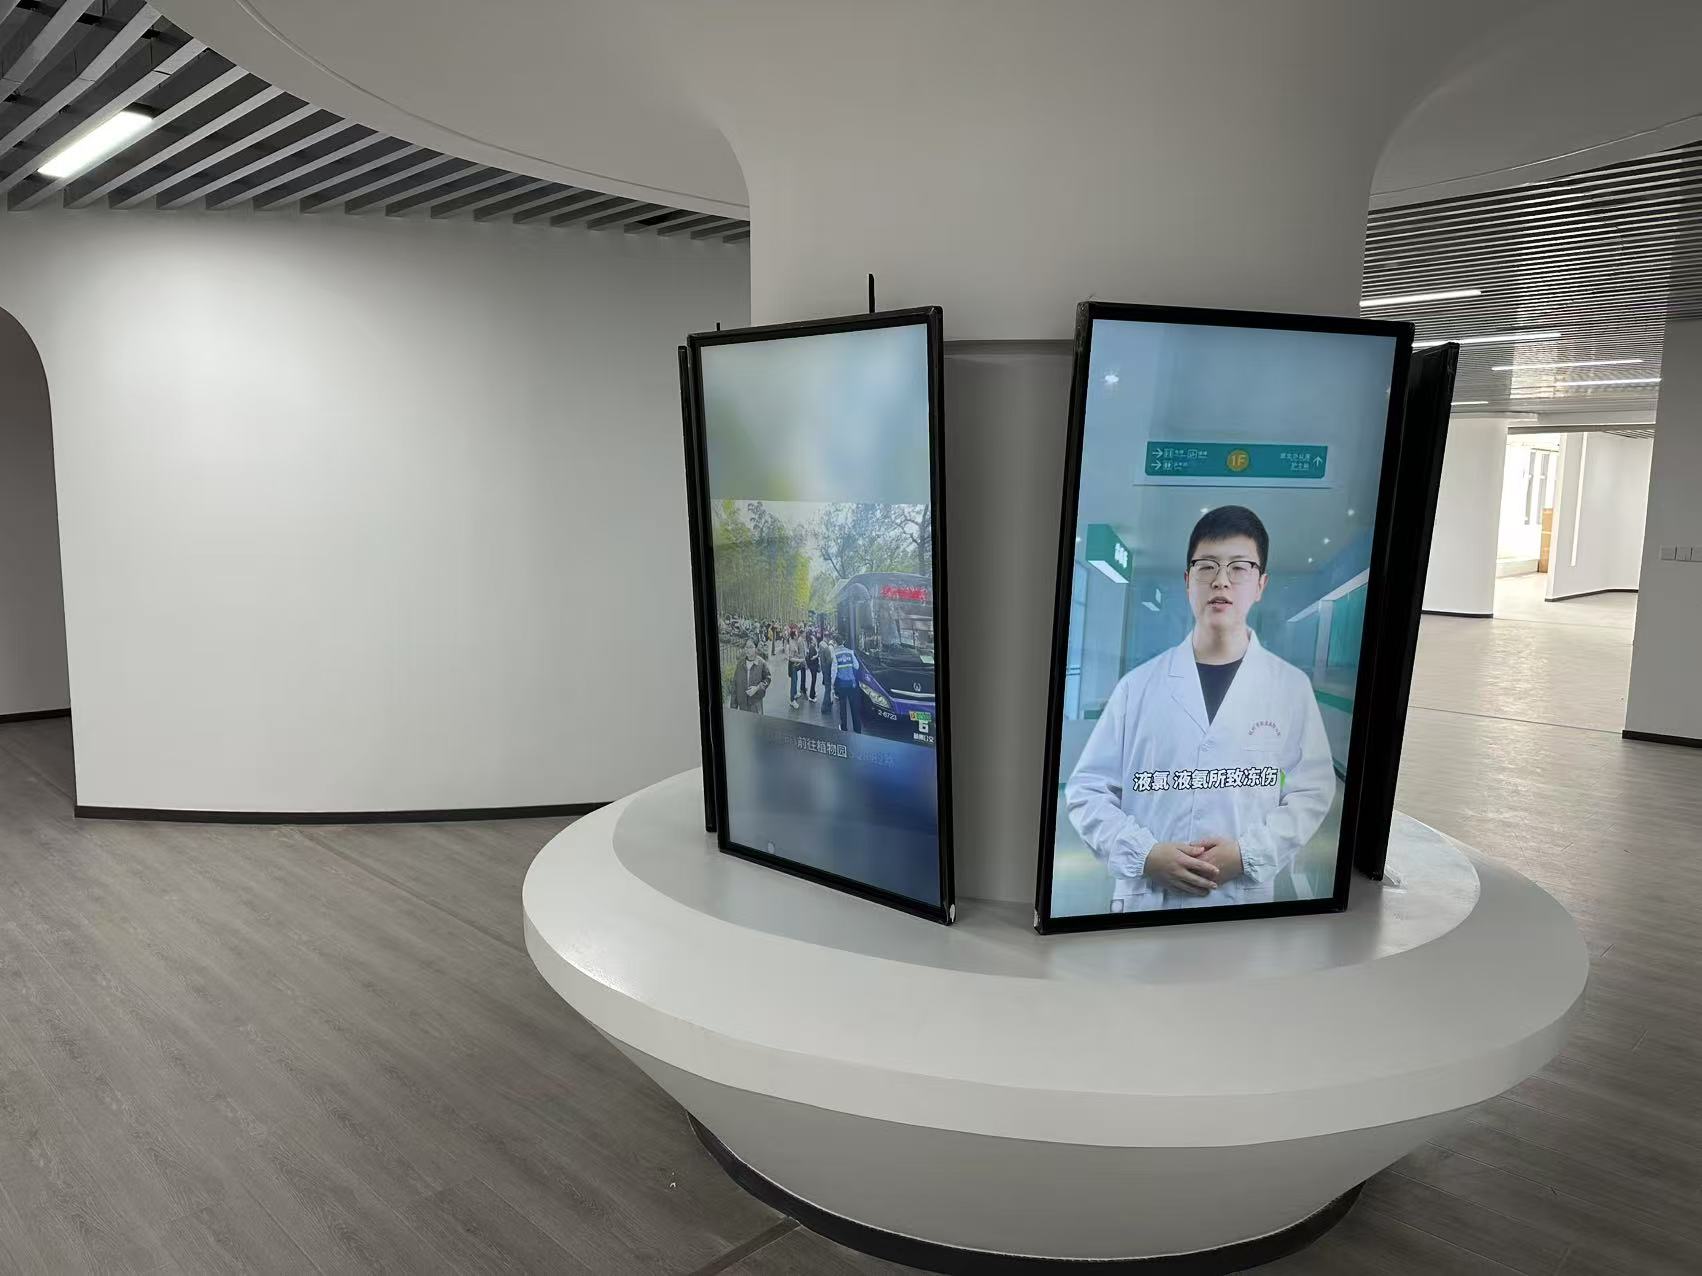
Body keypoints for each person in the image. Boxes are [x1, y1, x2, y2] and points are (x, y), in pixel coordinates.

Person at [1065, 505, 1333, 912]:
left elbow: (1311, 791)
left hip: (1240, 900)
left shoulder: (1291, 688)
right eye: (1207, 566)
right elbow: (1086, 791)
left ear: (1260, 584)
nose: (1221, 580)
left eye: (1239, 567)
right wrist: (1146, 854)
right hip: (1147, 901)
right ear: (1188, 580)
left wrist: (1246, 854)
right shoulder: (1136, 687)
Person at [830, 633, 863, 733]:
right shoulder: (850, 652)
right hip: (852, 683)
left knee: (843, 706)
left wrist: (832, 684)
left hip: (841, 684)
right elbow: (856, 666)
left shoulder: (835, 654)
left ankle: (844, 727)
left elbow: (834, 670)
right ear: (843, 642)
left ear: (835, 643)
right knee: (854, 707)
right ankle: (857, 729)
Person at [728, 640, 771, 714]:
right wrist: (733, 708)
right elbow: (735, 685)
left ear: (756, 648)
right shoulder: (740, 664)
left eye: (750, 647)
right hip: (742, 704)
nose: (748, 650)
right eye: (746, 647)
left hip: (756, 704)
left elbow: (767, 679)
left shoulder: (762, 663)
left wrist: (757, 688)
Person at [786, 624, 806, 708]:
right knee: (793, 683)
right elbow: (790, 658)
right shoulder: (791, 644)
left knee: (796, 679)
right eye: (796, 634)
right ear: (794, 636)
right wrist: (800, 660)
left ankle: (795, 693)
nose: (798, 635)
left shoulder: (794, 641)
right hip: (793, 665)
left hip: (795, 665)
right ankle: (792, 700)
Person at [804, 627, 821, 702]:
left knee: (814, 680)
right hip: (813, 666)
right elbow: (811, 658)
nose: (815, 640)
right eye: (814, 639)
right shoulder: (812, 647)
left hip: (813, 666)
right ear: (812, 640)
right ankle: (811, 696)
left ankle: (813, 692)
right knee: (813, 680)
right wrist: (817, 655)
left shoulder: (812, 646)